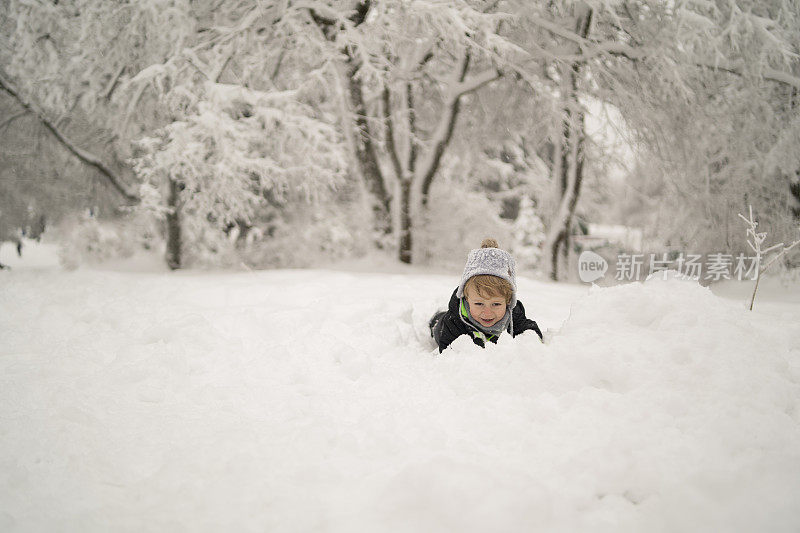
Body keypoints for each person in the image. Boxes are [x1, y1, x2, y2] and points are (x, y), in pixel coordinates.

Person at [429, 238, 543, 352]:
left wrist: (531, 338)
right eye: (479, 303)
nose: (487, 313)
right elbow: (447, 353)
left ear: (508, 301)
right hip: (441, 326)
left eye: (496, 304)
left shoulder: (514, 315)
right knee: (437, 322)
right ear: (466, 298)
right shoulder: (455, 321)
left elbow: (530, 330)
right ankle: (437, 316)